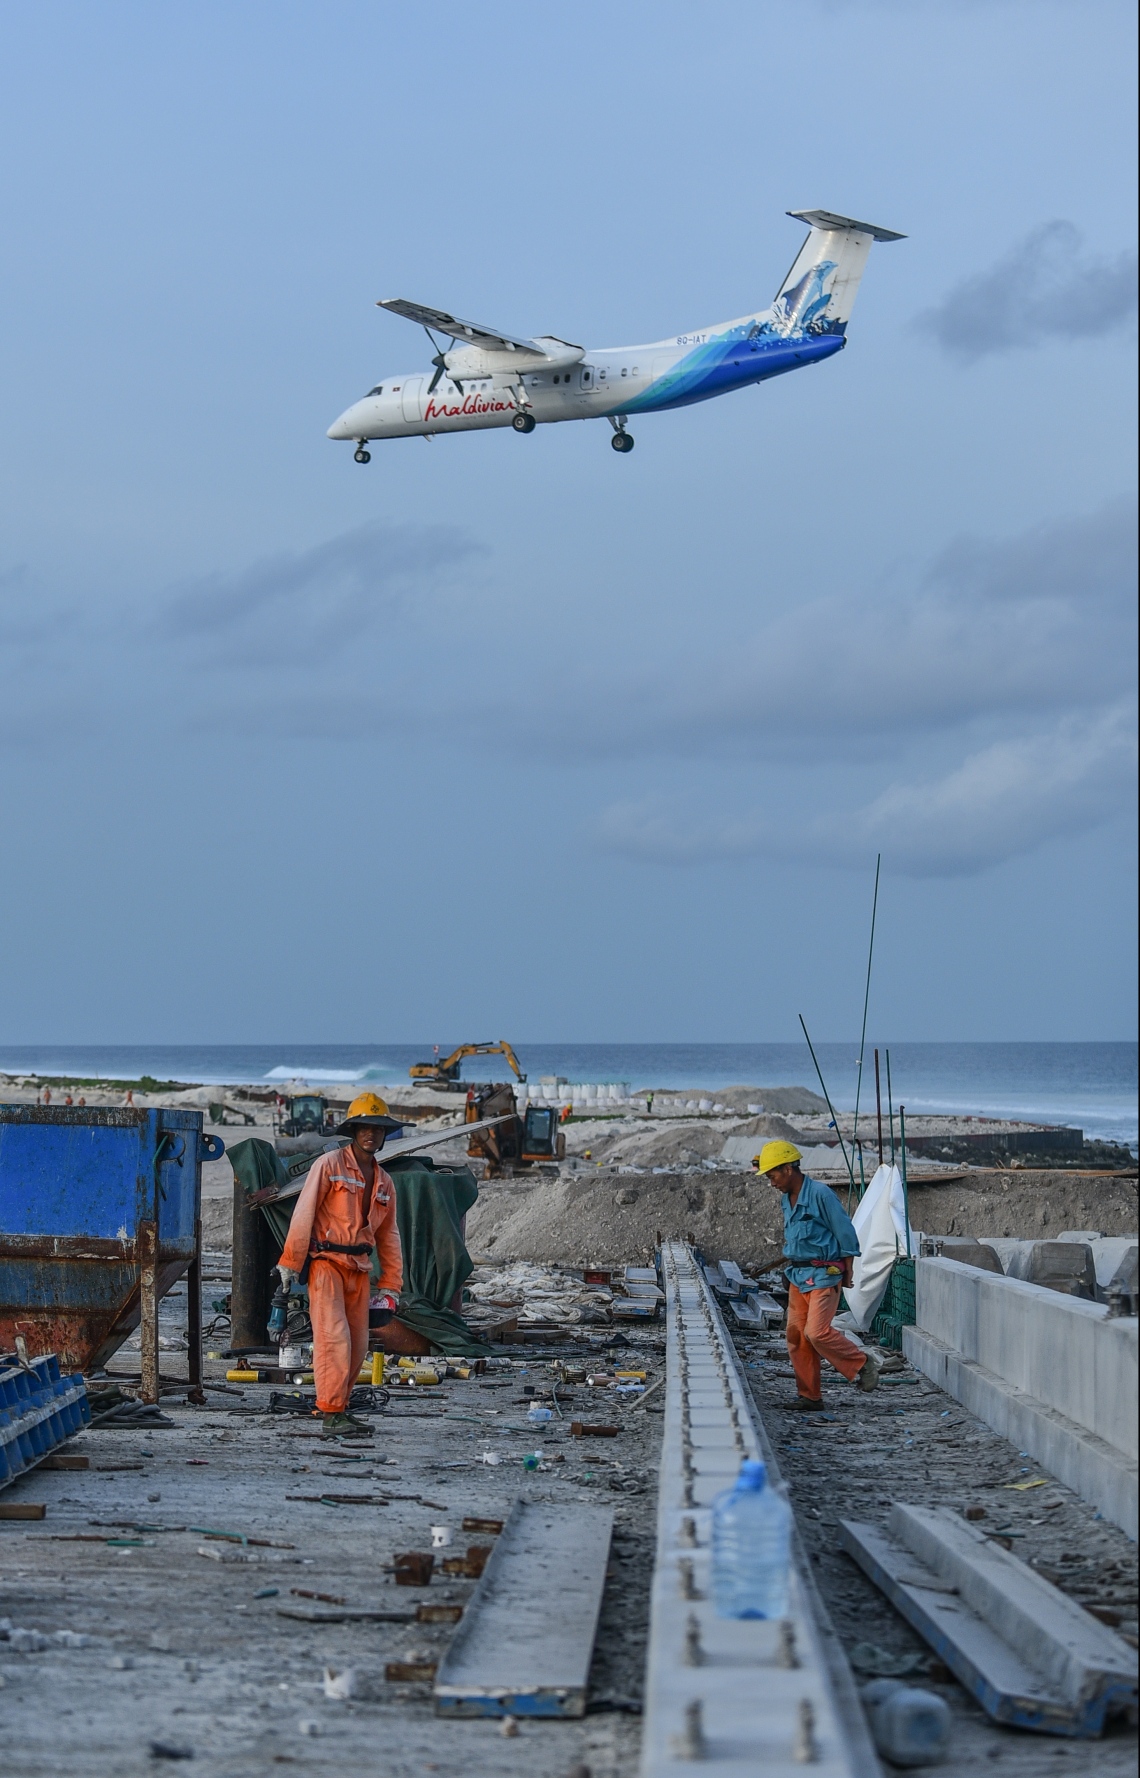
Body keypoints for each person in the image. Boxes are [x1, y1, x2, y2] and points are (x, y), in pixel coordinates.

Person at [275, 1092, 404, 1436]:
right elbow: (304, 1214)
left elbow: (389, 1236)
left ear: (384, 1134)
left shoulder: (384, 1183)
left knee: (359, 1346)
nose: (371, 1134)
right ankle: (331, 1412)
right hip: (326, 1265)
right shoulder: (329, 1166)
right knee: (335, 1340)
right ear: (352, 1130)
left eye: (377, 1129)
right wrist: (290, 1262)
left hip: (358, 1271)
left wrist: (391, 1287)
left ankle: (339, 1408)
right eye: (364, 1127)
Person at [754, 1140, 879, 1409]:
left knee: (817, 1332)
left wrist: (847, 1271)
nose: (771, 1182)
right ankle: (810, 1396)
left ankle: (862, 1362)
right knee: (797, 1335)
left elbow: (845, 1233)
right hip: (798, 1276)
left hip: (825, 1273)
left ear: (788, 1169)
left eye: (773, 1175)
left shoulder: (821, 1195)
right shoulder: (786, 1200)